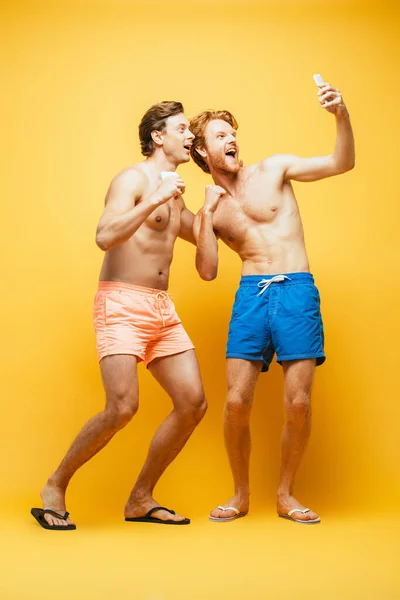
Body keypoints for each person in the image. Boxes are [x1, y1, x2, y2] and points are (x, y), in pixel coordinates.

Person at [31, 101, 207, 530]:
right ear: (157, 136)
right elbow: (104, 236)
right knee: (123, 407)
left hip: (161, 308)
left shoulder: (173, 187)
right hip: (122, 303)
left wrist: (218, 195)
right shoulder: (133, 178)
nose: (191, 136)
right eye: (182, 129)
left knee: (193, 402)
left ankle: (140, 498)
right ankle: (55, 485)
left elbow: (200, 234)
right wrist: (156, 198)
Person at [190, 81, 355, 524]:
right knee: (236, 403)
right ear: (203, 152)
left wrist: (340, 113)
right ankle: (240, 494)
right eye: (220, 135)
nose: (232, 139)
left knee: (298, 403)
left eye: (232, 132)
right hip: (250, 296)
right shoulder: (212, 209)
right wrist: (205, 213)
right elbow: (206, 271)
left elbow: (342, 162)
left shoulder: (274, 169)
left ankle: (286, 494)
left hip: (296, 288)